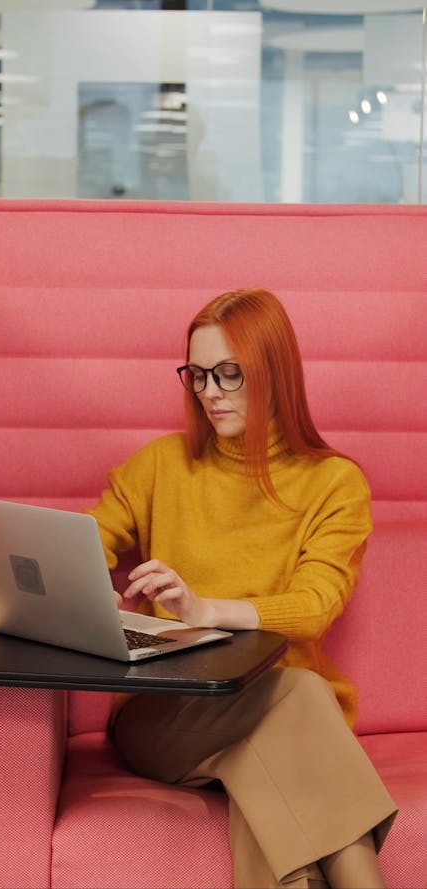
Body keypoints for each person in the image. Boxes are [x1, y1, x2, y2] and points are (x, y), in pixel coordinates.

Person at [86, 288, 397, 889]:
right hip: (164, 716)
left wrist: (205, 609)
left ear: (276, 374)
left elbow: (314, 606)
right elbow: (84, 545)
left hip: (276, 712)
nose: (209, 391)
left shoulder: (334, 484)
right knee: (303, 694)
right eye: (198, 375)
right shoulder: (159, 466)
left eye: (229, 373)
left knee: (276, 739)